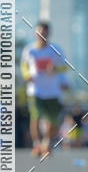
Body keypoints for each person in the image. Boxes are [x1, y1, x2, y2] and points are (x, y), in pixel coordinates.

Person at [20, 21, 69, 157]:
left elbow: (65, 67)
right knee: (35, 116)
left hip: (53, 91)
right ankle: (37, 145)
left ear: (49, 33)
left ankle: (46, 143)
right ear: (36, 33)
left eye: (44, 32)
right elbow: (24, 65)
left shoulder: (56, 50)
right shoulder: (29, 50)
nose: (42, 35)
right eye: (39, 32)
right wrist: (27, 75)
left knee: (53, 121)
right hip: (35, 91)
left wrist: (55, 69)